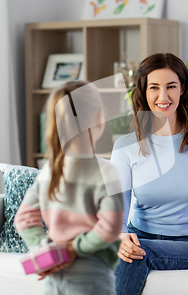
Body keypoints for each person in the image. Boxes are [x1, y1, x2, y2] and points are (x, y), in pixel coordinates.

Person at [110, 53, 188, 295]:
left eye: (171, 86)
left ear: (182, 88)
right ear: (144, 91)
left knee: (134, 254)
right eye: (154, 87)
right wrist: (120, 236)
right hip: (139, 237)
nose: (163, 97)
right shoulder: (126, 146)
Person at [14, 81, 123, 295]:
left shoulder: (49, 170)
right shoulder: (106, 172)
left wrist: (46, 249)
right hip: (91, 273)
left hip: (54, 270)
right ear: (99, 119)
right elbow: (110, 227)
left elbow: (24, 219)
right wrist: (73, 249)